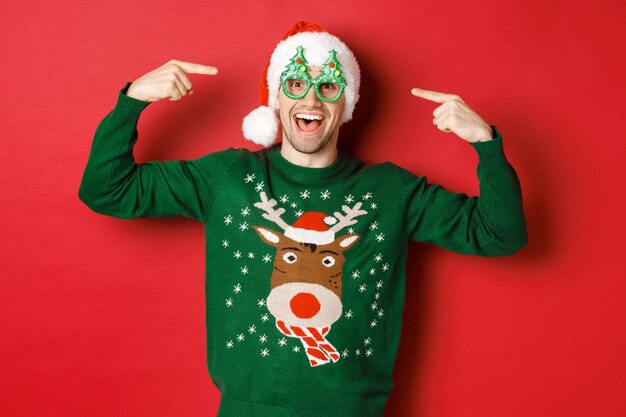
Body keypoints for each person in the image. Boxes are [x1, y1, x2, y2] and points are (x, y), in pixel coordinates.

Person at [79, 21, 527, 417]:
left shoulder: (390, 191)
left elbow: (499, 233)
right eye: (295, 84)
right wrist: (133, 101)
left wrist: (485, 144)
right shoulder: (229, 177)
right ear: (276, 98)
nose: (311, 98)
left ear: (345, 103)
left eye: (328, 87)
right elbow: (106, 189)